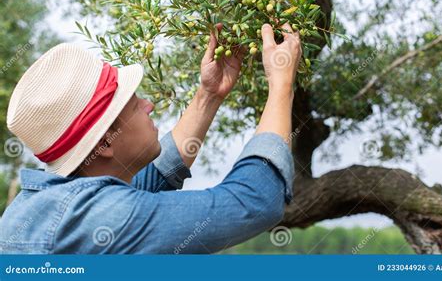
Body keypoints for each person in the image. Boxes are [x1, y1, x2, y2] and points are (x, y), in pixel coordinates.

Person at [0, 23, 302, 253]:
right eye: (134, 103)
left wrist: (208, 96)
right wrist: (281, 85)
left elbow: (154, 176)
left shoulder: (37, 204)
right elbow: (255, 202)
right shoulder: (100, 218)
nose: (149, 105)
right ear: (105, 143)